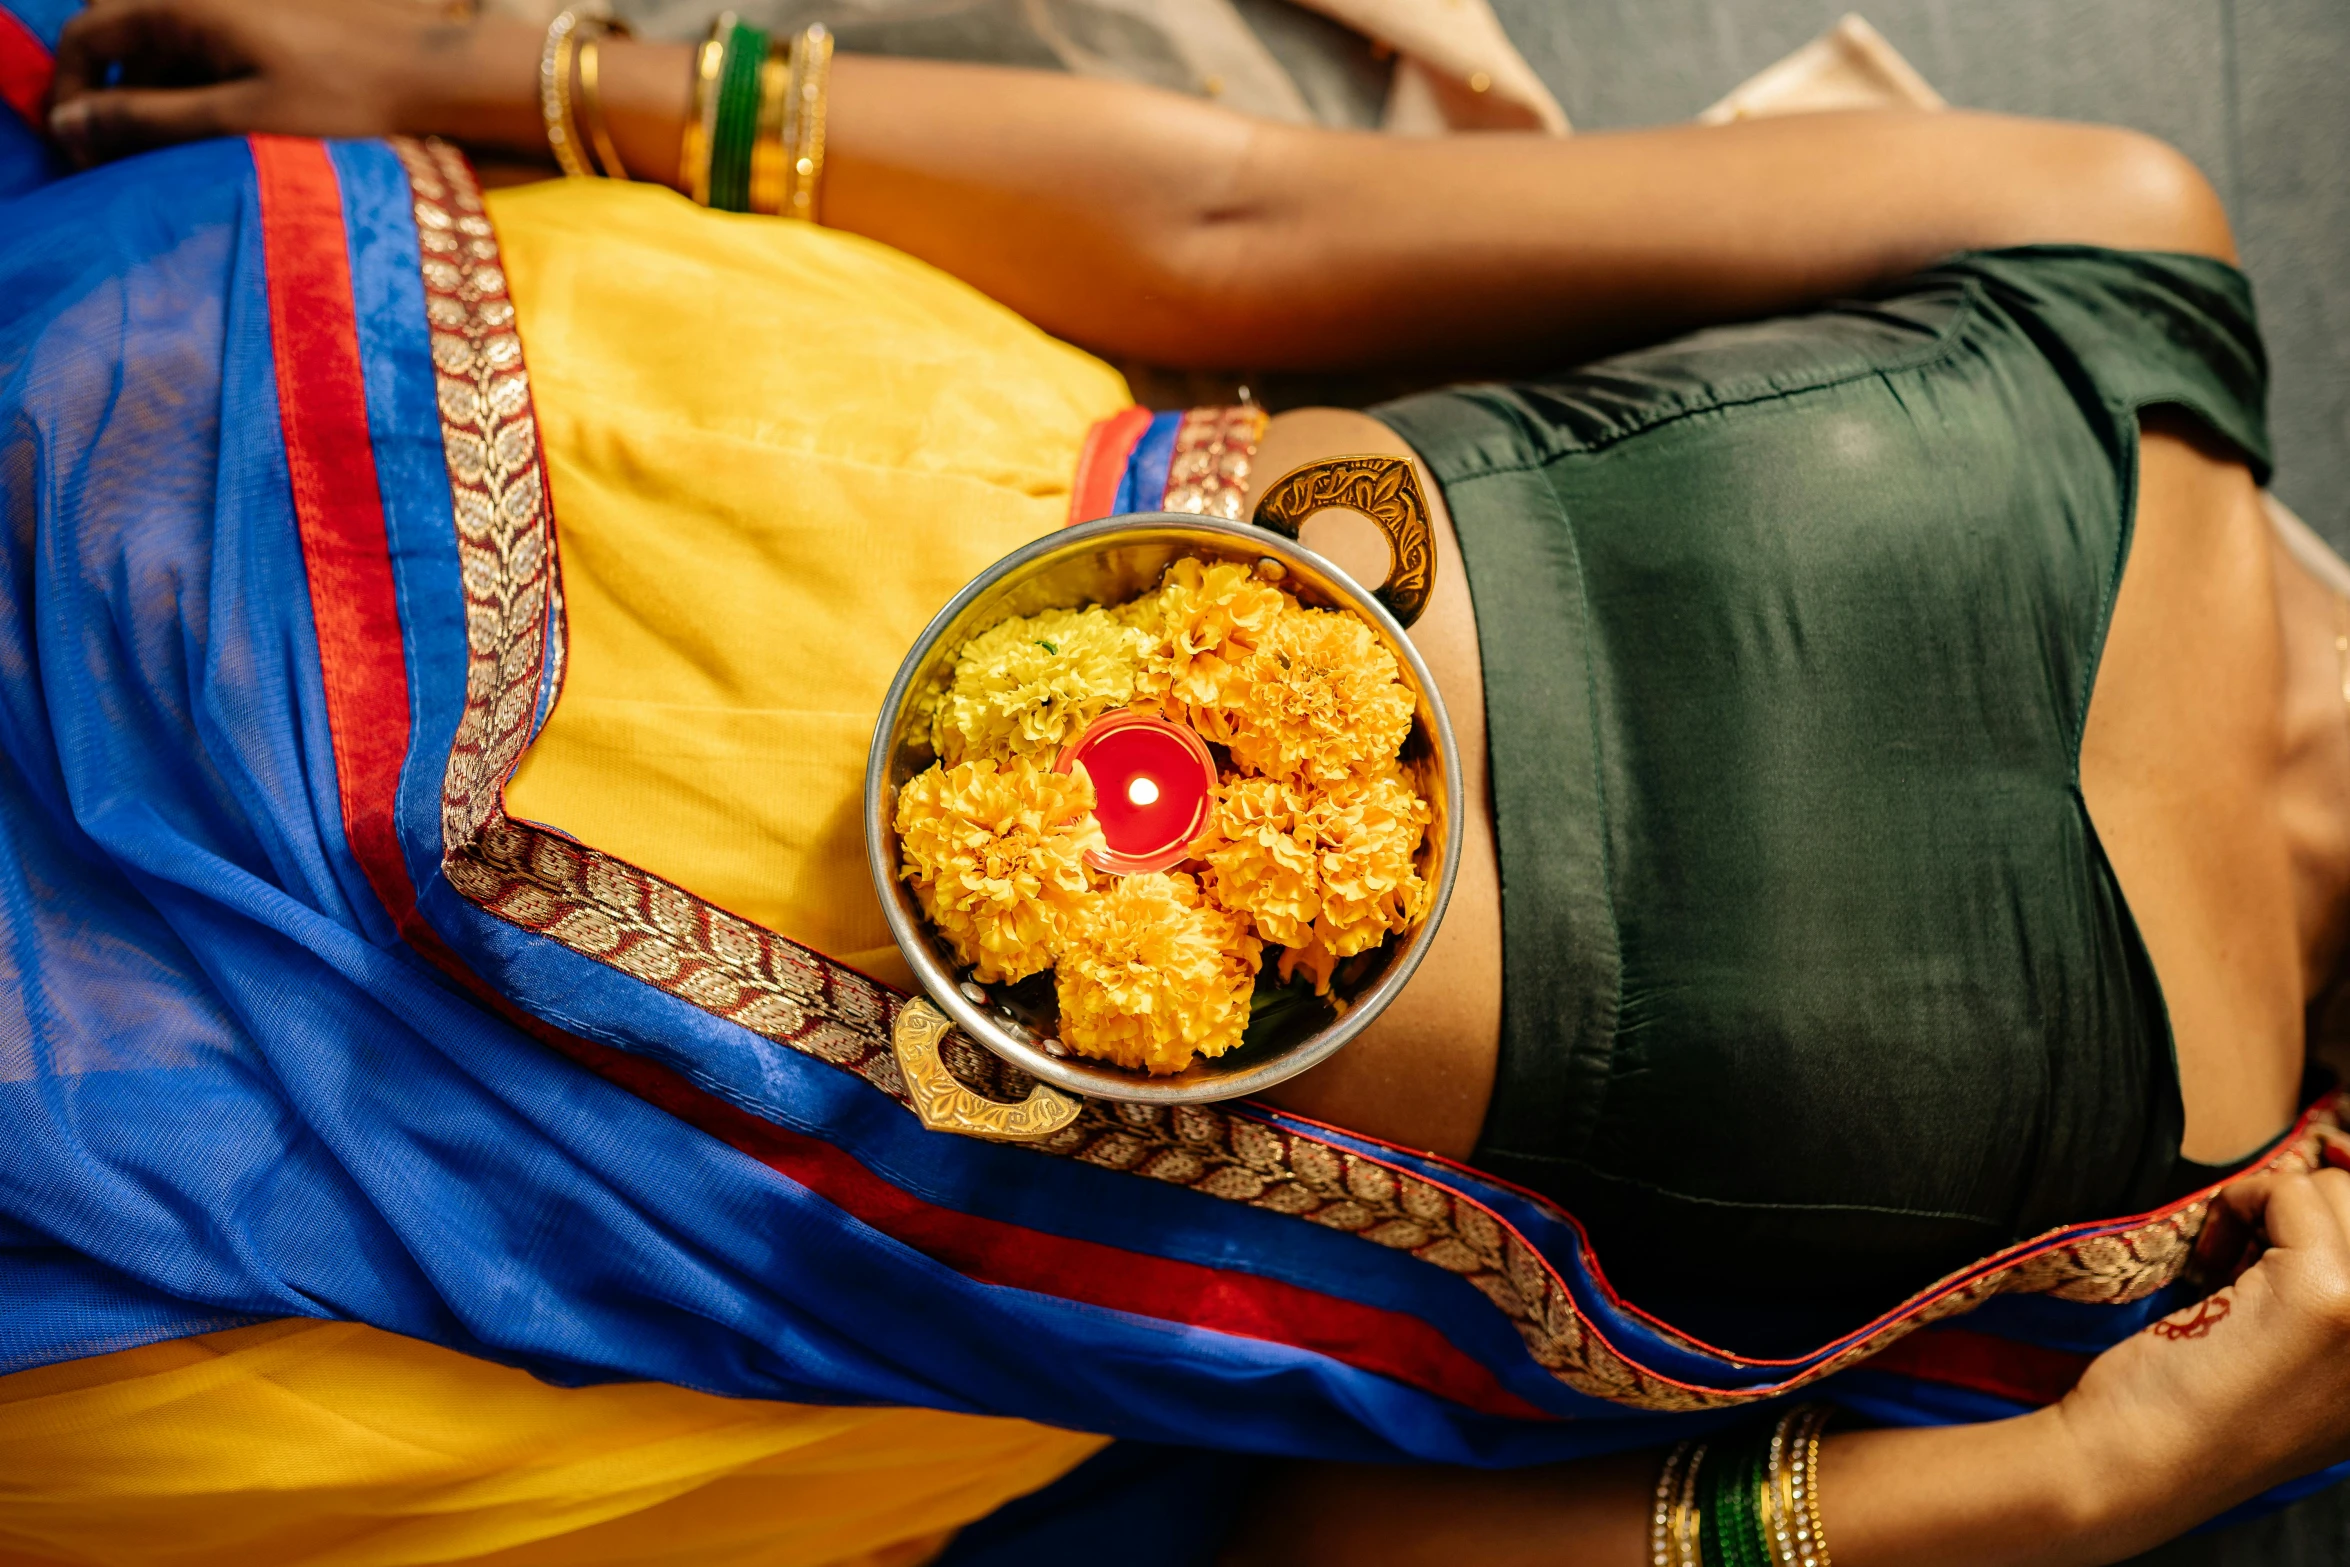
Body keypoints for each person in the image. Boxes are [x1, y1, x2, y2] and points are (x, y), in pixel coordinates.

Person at [7, 0, 2350, 1562]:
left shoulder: (2185, 1273)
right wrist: (522, 61)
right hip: (651, 498)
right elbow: (1250, 218)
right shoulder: (2111, 264)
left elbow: (1315, 1533)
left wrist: (2100, 1480)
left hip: (662, 1220)